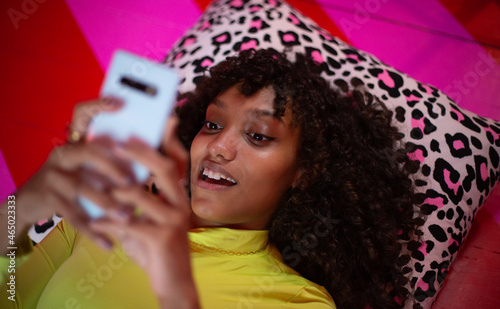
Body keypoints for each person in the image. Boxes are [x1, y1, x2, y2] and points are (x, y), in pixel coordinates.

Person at [0, 49, 423, 309]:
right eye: (213, 125)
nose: (217, 149)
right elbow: (12, 288)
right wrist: (27, 204)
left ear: (303, 172)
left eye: (258, 136)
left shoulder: (296, 301)